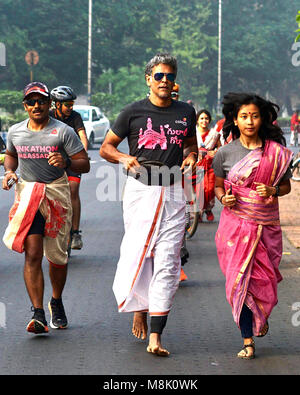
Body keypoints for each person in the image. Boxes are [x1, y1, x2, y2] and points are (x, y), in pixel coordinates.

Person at [100, 53, 197, 356]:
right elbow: (106, 148)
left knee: (168, 261)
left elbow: (191, 146)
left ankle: (156, 337)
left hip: (173, 191)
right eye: (159, 76)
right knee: (141, 252)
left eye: (169, 76)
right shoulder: (132, 112)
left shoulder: (186, 111)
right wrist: (123, 158)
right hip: (140, 191)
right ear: (148, 79)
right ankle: (139, 306)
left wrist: (192, 157)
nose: (164, 81)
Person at [2, 82, 90, 334]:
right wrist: (9, 172)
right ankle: (38, 313)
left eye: (41, 100)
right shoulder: (16, 131)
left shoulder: (63, 131)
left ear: (49, 104)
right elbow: (11, 154)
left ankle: (56, 300)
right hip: (29, 194)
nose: (36, 105)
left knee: (57, 258)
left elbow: (84, 163)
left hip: (56, 195)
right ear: (25, 106)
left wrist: (66, 161)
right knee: (32, 253)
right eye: (31, 101)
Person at [212, 92, 293, 359]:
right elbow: (218, 186)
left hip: (266, 229)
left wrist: (272, 189)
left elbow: (285, 187)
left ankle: (261, 314)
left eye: (255, 116)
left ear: (262, 119)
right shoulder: (224, 152)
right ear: (235, 120)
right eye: (244, 116)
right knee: (240, 283)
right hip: (235, 228)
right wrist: (224, 197)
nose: (249, 121)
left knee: (264, 281)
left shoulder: (277, 154)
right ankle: (247, 339)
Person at [50, 86, 89, 250]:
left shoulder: (75, 117)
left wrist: (83, 155)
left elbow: (83, 137)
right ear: (56, 105)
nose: (71, 108)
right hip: (52, 160)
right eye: (67, 105)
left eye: (72, 104)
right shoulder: (48, 117)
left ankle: (75, 232)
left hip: (72, 160)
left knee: (73, 189)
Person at [195, 109, 220, 222]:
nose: (204, 121)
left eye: (206, 118)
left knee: (210, 189)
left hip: (210, 165)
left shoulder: (214, 135)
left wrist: (214, 152)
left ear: (209, 120)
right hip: (197, 165)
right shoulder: (192, 133)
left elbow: (220, 148)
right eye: (202, 118)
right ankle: (199, 213)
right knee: (200, 189)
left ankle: (208, 209)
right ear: (197, 120)